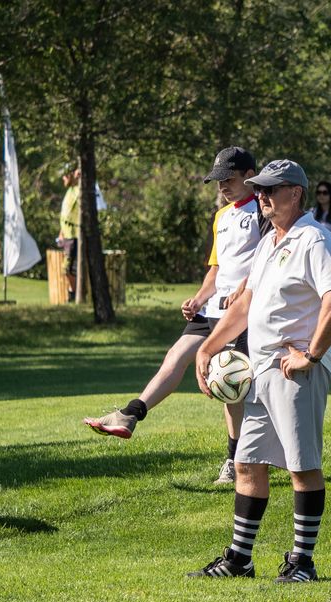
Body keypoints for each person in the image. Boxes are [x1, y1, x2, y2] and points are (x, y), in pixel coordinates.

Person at [188, 159, 331, 583]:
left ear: (294, 194)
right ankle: (240, 559)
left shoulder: (315, 239)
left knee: (301, 465)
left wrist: (310, 356)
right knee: (247, 461)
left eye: (269, 191)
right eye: (258, 190)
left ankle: (303, 563)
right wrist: (208, 346)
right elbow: (244, 305)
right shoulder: (269, 241)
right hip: (261, 369)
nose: (260, 197)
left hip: (295, 370)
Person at [83, 147, 262, 485]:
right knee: (174, 358)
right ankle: (130, 415)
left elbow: (265, 259)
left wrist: (244, 288)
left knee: (229, 385)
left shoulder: (263, 210)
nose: (222, 186)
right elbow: (216, 270)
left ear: (250, 175)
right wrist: (197, 299)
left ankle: (235, 458)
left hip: (239, 313)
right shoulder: (221, 217)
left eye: (229, 179)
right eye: (218, 180)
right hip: (211, 309)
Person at [57, 164, 80, 303]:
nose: (62, 178)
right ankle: (73, 294)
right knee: (67, 269)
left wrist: (80, 177)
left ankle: (75, 295)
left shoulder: (78, 189)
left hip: (74, 236)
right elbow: (67, 214)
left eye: (65, 175)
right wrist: (61, 232)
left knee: (69, 269)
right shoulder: (69, 191)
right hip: (67, 236)